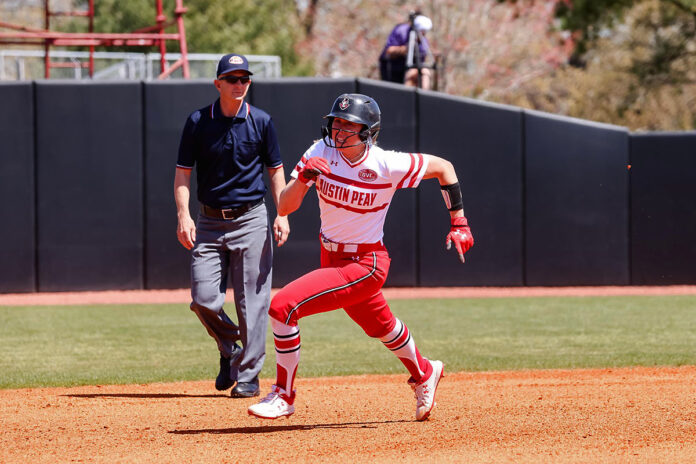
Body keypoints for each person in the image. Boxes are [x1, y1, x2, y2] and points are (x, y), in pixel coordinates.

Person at [247, 93, 474, 421]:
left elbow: (444, 168)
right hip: (331, 256)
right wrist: (306, 177)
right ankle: (426, 372)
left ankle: (284, 394)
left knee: (283, 308)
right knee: (381, 326)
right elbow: (284, 206)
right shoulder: (320, 152)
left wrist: (459, 221)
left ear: (368, 131)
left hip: (366, 263)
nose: (338, 130)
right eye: (335, 122)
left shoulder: (385, 164)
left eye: (348, 124)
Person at [174, 53, 290, 398]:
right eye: (233, 79)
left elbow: (275, 171)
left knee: (252, 302)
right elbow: (183, 173)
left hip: (252, 217)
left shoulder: (262, 121)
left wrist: (282, 213)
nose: (239, 84)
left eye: (244, 79)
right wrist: (183, 215)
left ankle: (249, 376)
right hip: (209, 221)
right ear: (218, 84)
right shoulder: (198, 122)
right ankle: (230, 348)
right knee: (204, 299)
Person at [379, 11, 434, 89]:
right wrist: (405, 49)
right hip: (392, 69)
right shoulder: (401, 31)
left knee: (424, 72)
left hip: (408, 72)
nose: (423, 34)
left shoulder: (423, 41)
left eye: (424, 32)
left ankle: (422, 97)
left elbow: (421, 61)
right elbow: (389, 52)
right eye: (421, 31)